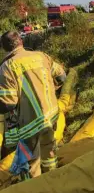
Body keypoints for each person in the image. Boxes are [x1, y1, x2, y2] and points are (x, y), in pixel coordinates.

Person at [0, 31, 66, 180]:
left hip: (28, 125)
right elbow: (61, 76)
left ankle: (33, 187)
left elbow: (8, 103)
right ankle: (53, 181)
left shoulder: (6, 67)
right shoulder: (41, 56)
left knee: (30, 163)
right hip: (51, 116)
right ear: (21, 42)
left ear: (4, 48)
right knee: (49, 153)